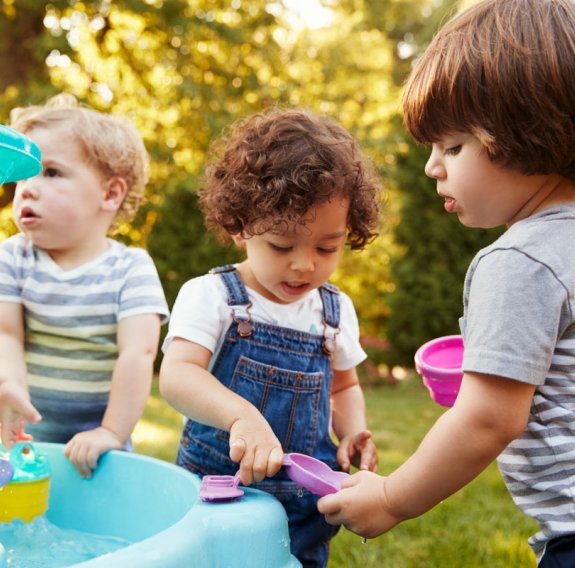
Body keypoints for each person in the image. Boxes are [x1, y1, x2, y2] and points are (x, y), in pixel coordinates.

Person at [317, 0, 575, 565]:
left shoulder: (521, 260)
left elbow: (489, 417)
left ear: (528, 133)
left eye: (453, 146)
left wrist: (390, 498)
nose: (433, 166)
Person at [159, 107, 380, 567]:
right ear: (241, 226)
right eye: (281, 245)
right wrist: (241, 417)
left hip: (303, 507)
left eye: (327, 247)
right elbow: (178, 376)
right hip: (219, 497)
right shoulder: (213, 296)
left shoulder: (333, 311)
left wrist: (353, 432)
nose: (304, 265)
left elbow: (344, 385)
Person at [0, 94, 169, 478]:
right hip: (22, 438)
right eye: (24, 175)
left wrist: (111, 431)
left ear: (110, 194)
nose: (27, 188)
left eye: (52, 172)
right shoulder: (13, 257)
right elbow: (6, 334)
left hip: (98, 449)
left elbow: (138, 353)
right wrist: (8, 385)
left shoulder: (131, 268)